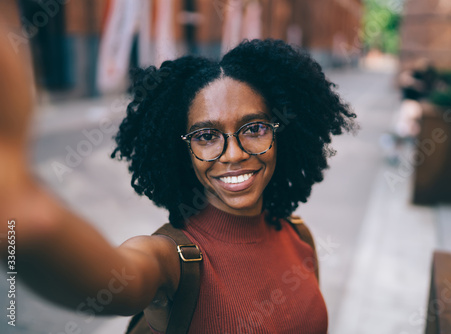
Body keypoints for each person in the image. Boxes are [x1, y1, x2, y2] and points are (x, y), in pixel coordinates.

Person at [0, 37, 356, 333]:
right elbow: (109, 279)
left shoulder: (299, 236)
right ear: (181, 150)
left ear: (282, 133)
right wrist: (23, 209)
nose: (233, 154)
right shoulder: (170, 259)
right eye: (206, 136)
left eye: (255, 128)